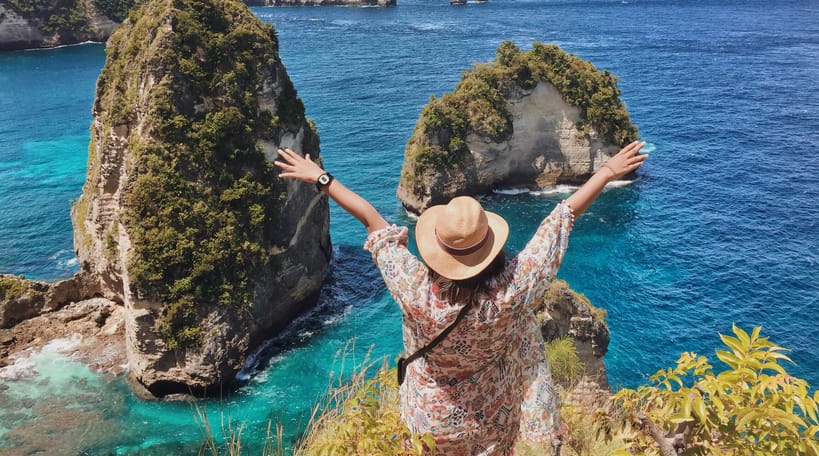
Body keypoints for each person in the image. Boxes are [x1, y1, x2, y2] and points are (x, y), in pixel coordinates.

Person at [275, 140, 648, 455]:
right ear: (491, 247)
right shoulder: (515, 287)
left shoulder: (414, 290)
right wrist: (606, 172)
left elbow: (373, 222)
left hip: (429, 421)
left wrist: (322, 179)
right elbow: (562, 217)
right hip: (493, 418)